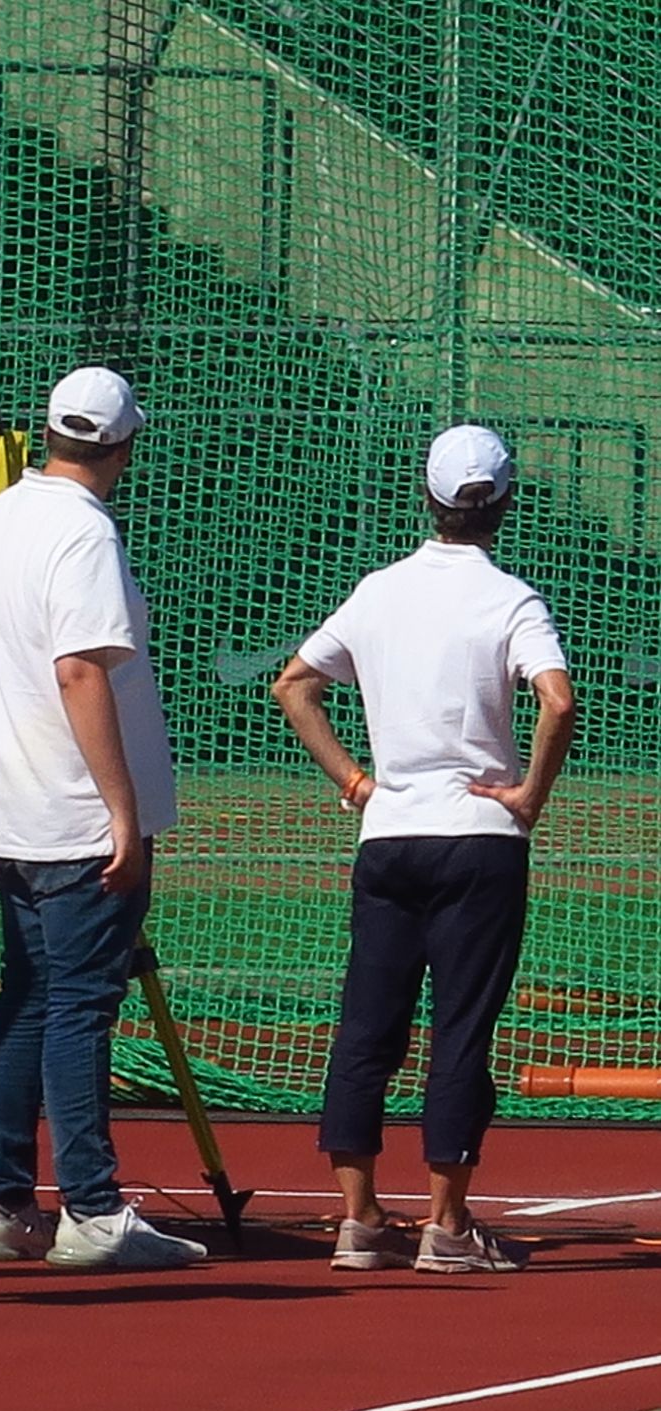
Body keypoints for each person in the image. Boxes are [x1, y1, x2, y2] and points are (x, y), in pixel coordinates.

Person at [273, 424, 575, 1275]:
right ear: (504, 502)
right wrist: (528, 797)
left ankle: (359, 1219)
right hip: (478, 841)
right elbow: (557, 701)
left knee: (367, 1026)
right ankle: (447, 1223)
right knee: (461, 1030)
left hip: (390, 837)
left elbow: (294, 684)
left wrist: (355, 782)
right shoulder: (510, 599)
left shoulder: (379, 591)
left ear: (429, 498)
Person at [0, 366, 203, 1270]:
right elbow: (78, 670)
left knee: (28, 998)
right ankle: (91, 1206)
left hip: (15, 803)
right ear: (123, 445)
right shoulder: (83, 530)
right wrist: (121, 811)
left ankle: (3, 1200)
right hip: (72, 811)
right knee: (77, 1007)